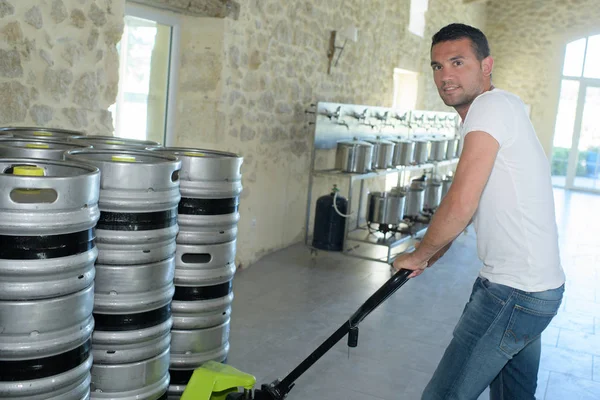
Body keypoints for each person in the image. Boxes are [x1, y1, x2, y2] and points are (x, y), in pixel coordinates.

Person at [392, 23, 566, 400]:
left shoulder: (489, 107)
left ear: (486, 65)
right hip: (534, 288)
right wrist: (434, 253)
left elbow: (462, 199)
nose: (446, 75)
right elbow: (475, 204)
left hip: (514, 293)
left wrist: (418, 253)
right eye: (437, 66)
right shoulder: (504, 105)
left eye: (457, 62)